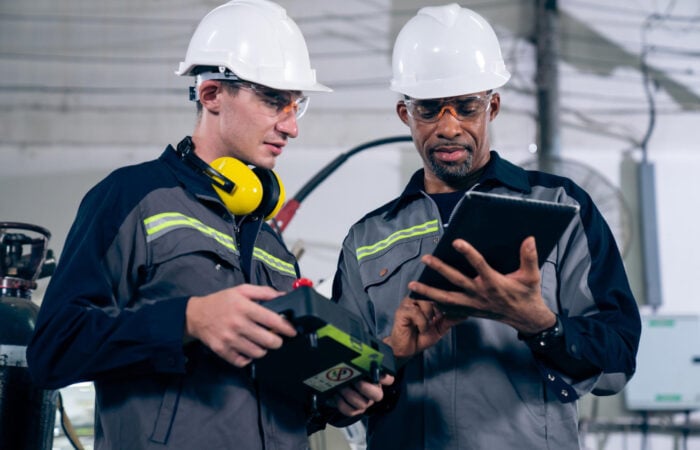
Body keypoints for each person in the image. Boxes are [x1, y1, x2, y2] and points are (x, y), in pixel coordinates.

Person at [26, 1, 390, 448]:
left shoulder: (272, 245)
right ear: (212, 94)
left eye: (298, 106)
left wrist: (333, 397)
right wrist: (187, 319)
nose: (291, 127)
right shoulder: (132, 199)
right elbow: (53, 350)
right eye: (274, 101)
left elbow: (283, 401)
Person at [331, 4, 641, 449]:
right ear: (405, 114)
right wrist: (389, 353)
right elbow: (332, 390)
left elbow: (618, 360)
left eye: (466, 107)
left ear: (491, 107)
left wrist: (541, 325)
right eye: (430, 109)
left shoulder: (561, 207)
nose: (449, 126)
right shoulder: (366, 240)